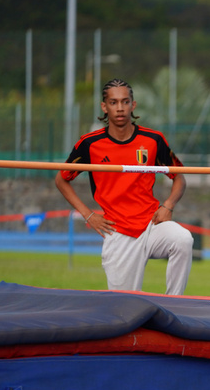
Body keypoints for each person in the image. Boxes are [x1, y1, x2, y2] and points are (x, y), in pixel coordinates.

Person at [55, 78, 193, 295]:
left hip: (151, 225)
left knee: (183, 239)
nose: (119, 108)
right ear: (104, 106)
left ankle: (174, 304)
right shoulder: (90, 144)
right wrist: (88, 215)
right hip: (118, 232)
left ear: (133, 105)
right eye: (113, 102)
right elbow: (61, 179)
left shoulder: (153, 140)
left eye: (125, 102)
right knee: (124, 308)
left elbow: (180, 177)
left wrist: (168, 205)